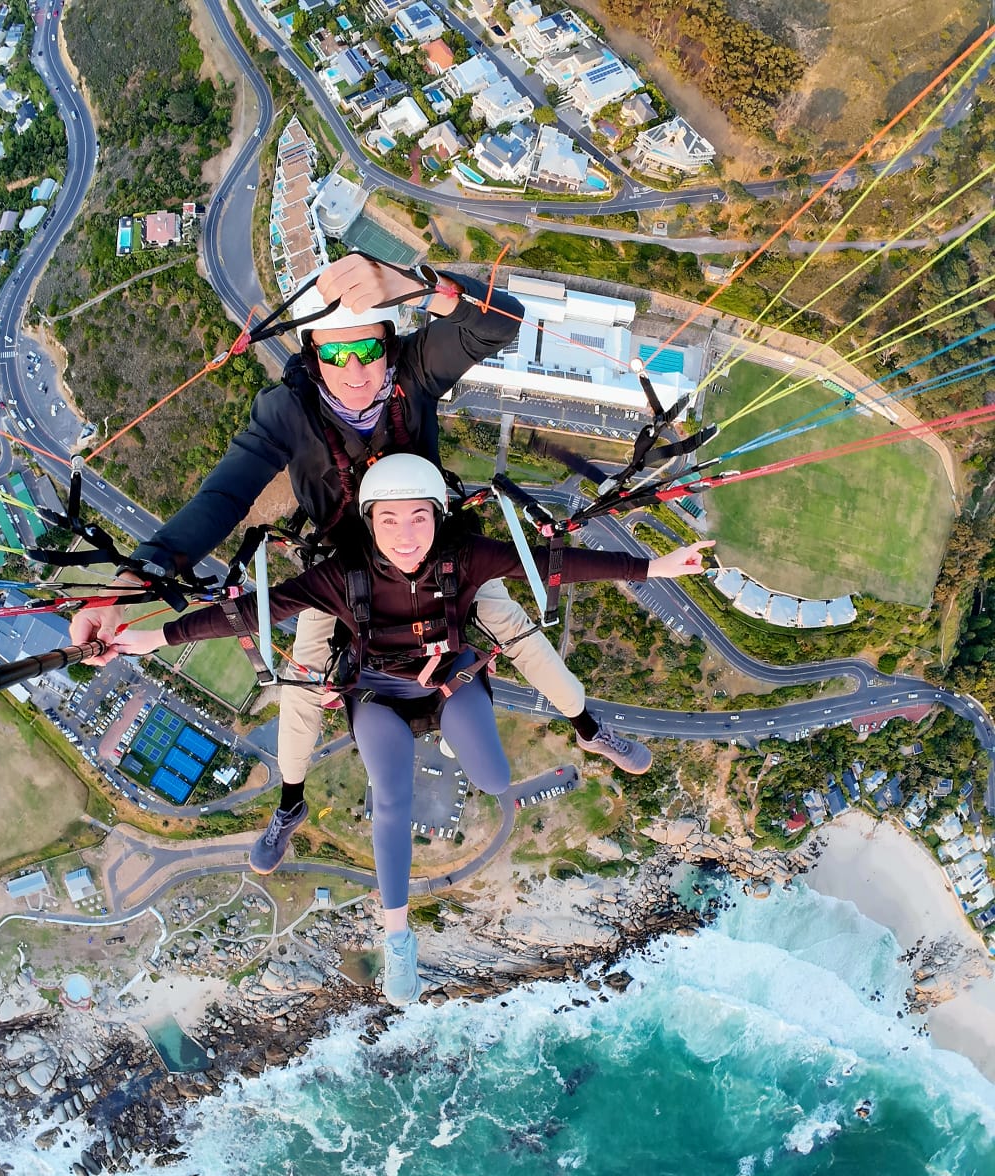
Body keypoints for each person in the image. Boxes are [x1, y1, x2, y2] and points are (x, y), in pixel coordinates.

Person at [70, 255, 651, 879]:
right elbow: (223, 498)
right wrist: (129, 585)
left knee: (518, 633)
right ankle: (290, 805)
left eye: (368, 351)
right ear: (312, 352)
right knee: (298, 689)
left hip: (431, 549)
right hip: (341, 571)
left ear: (388, 343)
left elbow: (499, 323)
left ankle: (587, 725)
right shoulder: (286, 413)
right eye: (335, 355)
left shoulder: (415, 371)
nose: (355, 372)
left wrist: (416, 285)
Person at [114, 453, 716, 1006]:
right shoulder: (341, 572)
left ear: (438, 516)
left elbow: (558, 565)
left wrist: (653, 567)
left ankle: (587, 728)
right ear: (371, 521)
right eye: (392, 521)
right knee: (389, 793)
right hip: (377, 690)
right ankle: (394, 935)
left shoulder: (464, 554)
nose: (406, 536)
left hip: (446, 676)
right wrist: (146, 639)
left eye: (420, 519)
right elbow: (249, 613)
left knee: (495, 777)